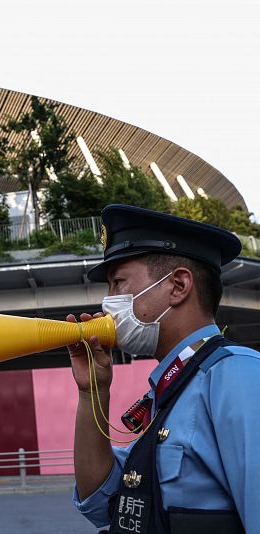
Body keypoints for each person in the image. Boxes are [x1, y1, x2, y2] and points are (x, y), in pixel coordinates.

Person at [67, 204, 259, 533]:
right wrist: (92, 392)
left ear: (178, 286)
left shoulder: (235, 375)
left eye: (118, 283)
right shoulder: (174, 388)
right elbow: (102, 502)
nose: (108, 302)